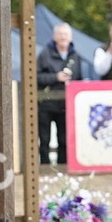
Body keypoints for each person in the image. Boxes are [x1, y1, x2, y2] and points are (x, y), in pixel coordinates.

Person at [36, 23, 83, 165]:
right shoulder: (45, 54)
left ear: (71, 37)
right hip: (46, 103)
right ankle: (44, 168)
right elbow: (36, 77)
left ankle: (63, 167)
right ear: (54, 37)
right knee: (44, 138)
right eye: (60, 34)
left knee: (64, 138)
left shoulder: (75, 56)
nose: (63, 37)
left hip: (66, 104)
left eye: (66, 34)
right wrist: (55, 77)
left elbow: (79, 79)